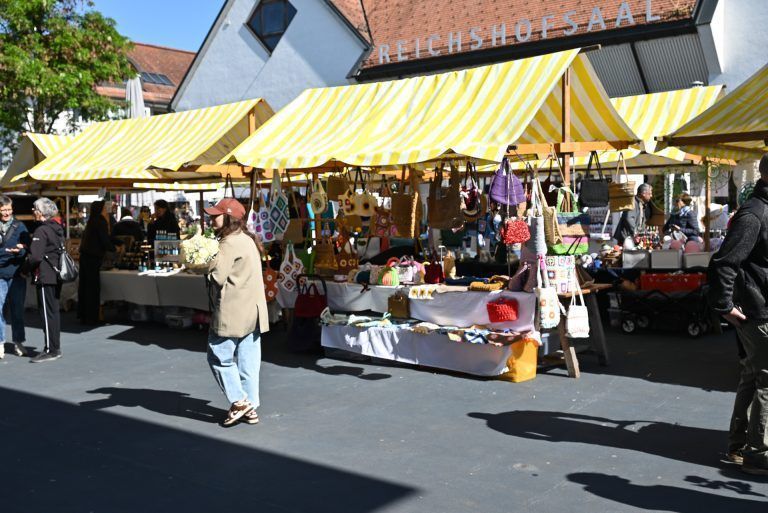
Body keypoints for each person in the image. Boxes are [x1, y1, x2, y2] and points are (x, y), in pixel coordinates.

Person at [707, 153, 768, 476]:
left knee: (753, 375)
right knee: (766, 380)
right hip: (757, 311)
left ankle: (740, 445)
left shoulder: (761, 211)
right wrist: (725, 307)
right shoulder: (754, 215)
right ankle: (758, 453)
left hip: (758, 307)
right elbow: (724, 263)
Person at [204, 198, 269, 427]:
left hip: (233, 310)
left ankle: (240, 402)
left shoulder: (228, 243)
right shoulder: (247, 239)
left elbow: (217, 277)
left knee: (218, 355)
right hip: (253, 310)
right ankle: (250, 406)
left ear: (229, 216)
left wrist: (203, 264)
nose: (211, 219)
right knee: (248, 362)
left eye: (215, 215)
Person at [27, 198, 65, 362]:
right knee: (53, 312)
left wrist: (24, 269)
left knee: (47, 314)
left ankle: (51, 349)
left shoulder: (41, 231)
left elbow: (35, 257)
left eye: (35, 209)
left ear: (41, 212)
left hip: (45, 275)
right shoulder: (57, 228)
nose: (33, 212)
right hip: (56, 274)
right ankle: (54, 347)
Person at [0, 196, 30, 358]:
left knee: (17, 309)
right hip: (0, 274)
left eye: (9, 210)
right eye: (3, 210)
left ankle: (18, 341)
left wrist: (21, 250)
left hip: (17, 273)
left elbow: (28, 247)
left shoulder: (20, 226)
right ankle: (0, 343)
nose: (6, 213)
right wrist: (6, 252)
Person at [78, 201, 115, 325]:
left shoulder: (91, 221)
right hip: (93, 259)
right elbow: (105, 240)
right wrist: (115, 248)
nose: (106, 210)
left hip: (85, 257)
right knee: (93, 288)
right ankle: (93, 317)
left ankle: (84, 315)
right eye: (104, 208)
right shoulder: (101, 221)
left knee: (84, 287)